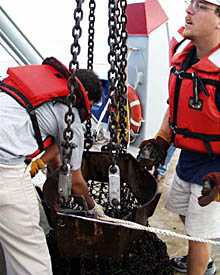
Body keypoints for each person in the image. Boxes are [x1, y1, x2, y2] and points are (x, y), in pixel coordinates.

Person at [138, 1, 220, 274]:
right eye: (190, 3)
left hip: (215, 168)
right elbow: (174, 105)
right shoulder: (185, 60)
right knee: (182, 211)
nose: (188, 11)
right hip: (189, 158)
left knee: (198, 236)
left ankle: (200, 265)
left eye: (201, 6)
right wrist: (162, 139)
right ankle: (202, 258)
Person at [0, 60, 103, 275]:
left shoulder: (42, 94)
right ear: (87, 101)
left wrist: (41, 163)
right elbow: (76, 181)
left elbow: (57, 150)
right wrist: (94, 209)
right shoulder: (71, 119)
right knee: (30, 255)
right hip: (4, 168)